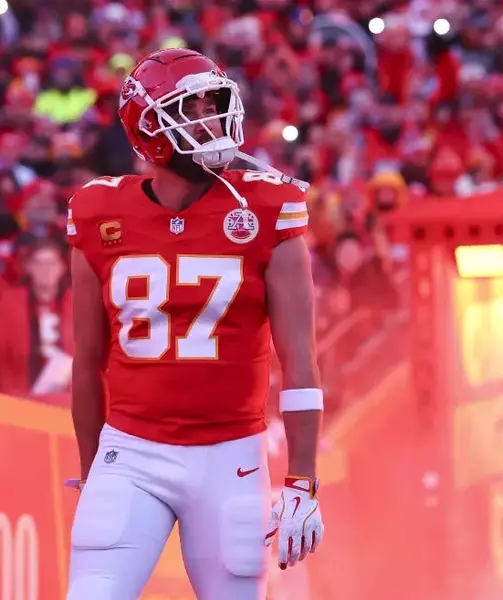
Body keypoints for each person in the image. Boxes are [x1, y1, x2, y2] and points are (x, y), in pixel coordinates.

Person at [65, 48, 324, 600]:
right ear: (149, 128)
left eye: (214, 103)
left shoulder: (267, 207)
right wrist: (93, 474)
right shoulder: (99, 212)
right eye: (193, 107)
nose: (211, 118)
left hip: (232, 455)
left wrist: (302, 478)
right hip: (131, 451)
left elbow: (299, 357)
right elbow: (87, 361)